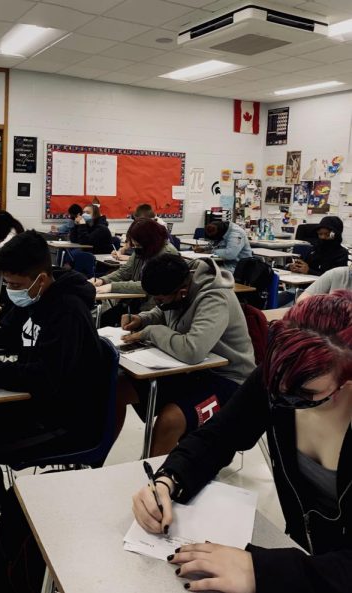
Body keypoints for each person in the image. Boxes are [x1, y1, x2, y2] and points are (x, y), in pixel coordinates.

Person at [131, 291, 352, 593]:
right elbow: (219, 436)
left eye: (307, 395)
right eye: (277, 386)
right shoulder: (281, 379)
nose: (284, 399)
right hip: (304, 551)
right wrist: (169, 480)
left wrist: (264, 570)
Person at [0, 231, 108, 534]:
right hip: (37, 402)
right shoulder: (32, 298)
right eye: (7, 283)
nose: (10, 291)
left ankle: (1, 524)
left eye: (15, 285)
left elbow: (47, 379)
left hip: (66, 420)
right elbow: (8, 334)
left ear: (40, 277)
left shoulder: (69, 312)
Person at [119, 254, 256, 455]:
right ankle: (95, 458)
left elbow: (193, 350)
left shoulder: (215, 298)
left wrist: (152, 331)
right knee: (118, 388)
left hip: (229, 380)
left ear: (182, 291)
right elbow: (164, 310)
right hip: (191, 372)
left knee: (170, 420)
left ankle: (153, 479)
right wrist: (143, 319)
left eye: (160, 298)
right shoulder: (178, 283)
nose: (158, 303)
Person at [93, 218, 178, 323]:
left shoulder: (167, 255)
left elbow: (149, 285)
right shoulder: (143, 249)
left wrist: (112, 287)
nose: (136, 248)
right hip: (135, 303)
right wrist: (102, 280)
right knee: (102, 320)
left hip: (154, 310)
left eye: (138, 245)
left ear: (149, 240)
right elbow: (124, 272)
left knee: (109, 322)